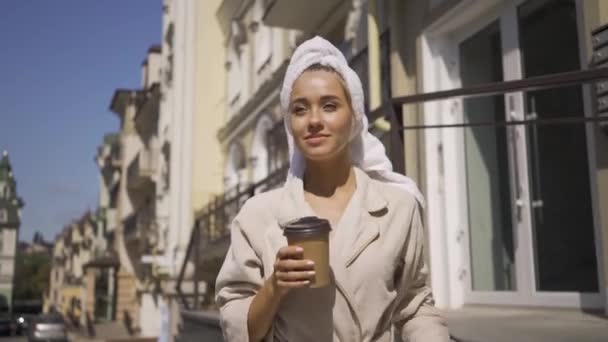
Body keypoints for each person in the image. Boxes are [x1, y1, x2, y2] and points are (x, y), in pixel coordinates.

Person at [215, 36, 449, 342]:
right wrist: (275, 286)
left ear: (354, 116)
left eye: (329, 106)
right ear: (290, 124)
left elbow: (414, 306)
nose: (314, 120)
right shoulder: (258, 215)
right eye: (300, 110)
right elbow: (236, 323)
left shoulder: (398, 207)